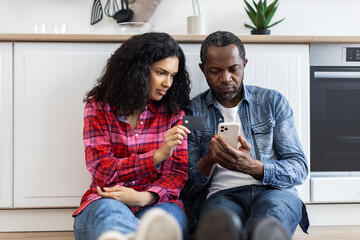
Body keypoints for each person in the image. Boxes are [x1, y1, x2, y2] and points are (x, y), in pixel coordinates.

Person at [181, 31, 310, 240]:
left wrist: (254, 167)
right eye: (215, 71)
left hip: (273, 192)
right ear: (202, 69)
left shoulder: (272, 102)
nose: (226, 78)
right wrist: (209, 160)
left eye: (234, 69)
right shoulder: (192, 112)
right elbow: (186, 188)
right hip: (220, 196)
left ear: (245, 65)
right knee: (218, 227)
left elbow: (299, 168)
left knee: (269, 222)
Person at [73, 32, 192, 240]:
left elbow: (177, 174)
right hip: (106, 202)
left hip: (157, 202)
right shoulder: (98, 107)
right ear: (138, 70)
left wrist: (142, 197)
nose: (168, 83)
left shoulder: (174, 112)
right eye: (161, 73)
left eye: (172, 75)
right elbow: (102, 171)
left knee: (163, 222)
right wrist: (156, 156)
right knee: (112, 215)